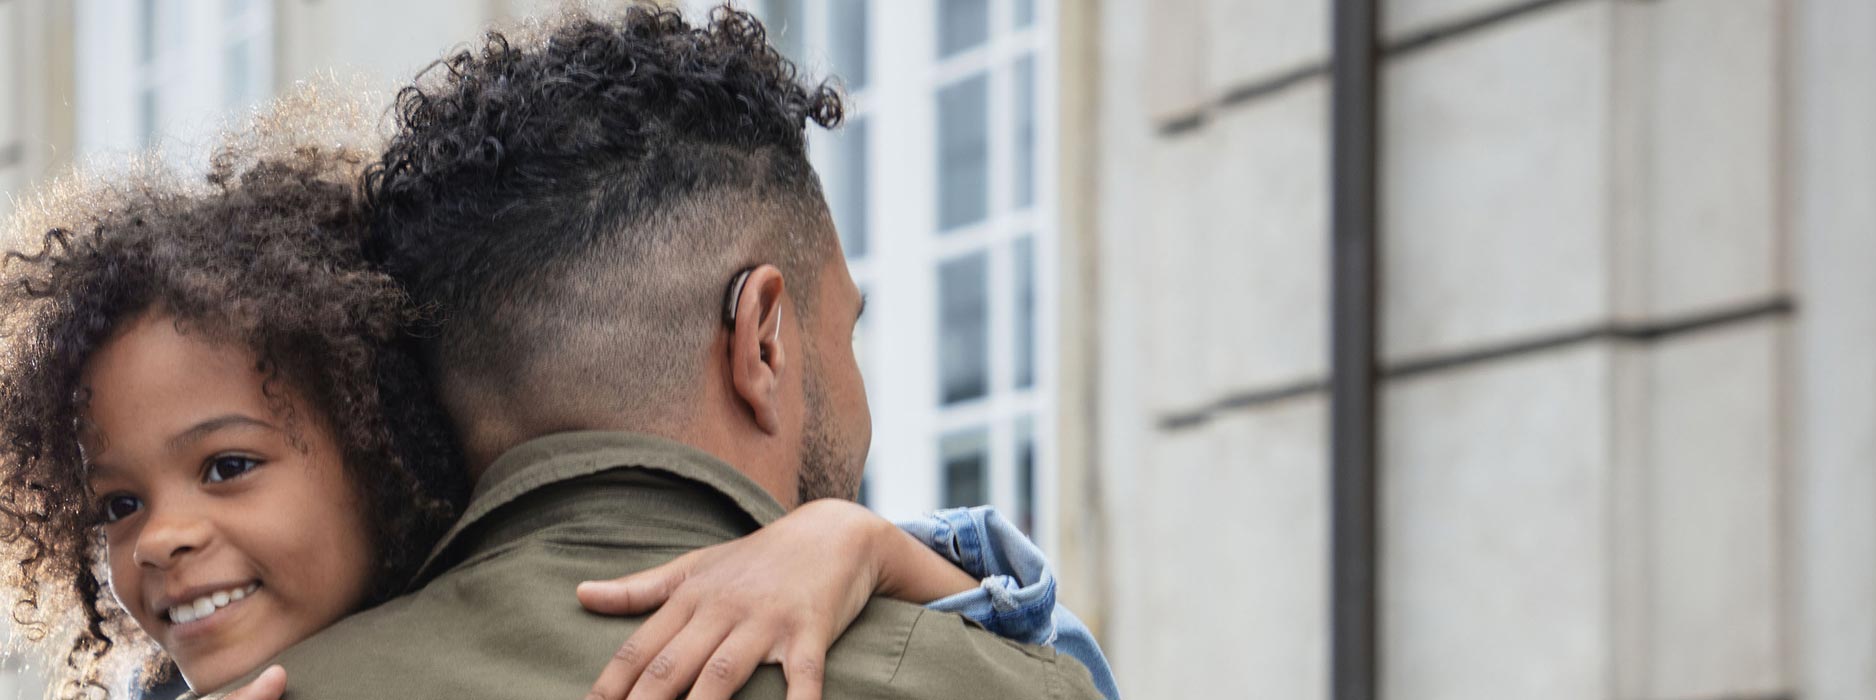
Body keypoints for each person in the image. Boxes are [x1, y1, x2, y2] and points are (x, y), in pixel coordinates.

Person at [0, 87, 1110, 700]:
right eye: (117, 505)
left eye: (229, 466)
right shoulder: (980, 677)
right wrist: (868, 545)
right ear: (761, 339)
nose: (168, 540)